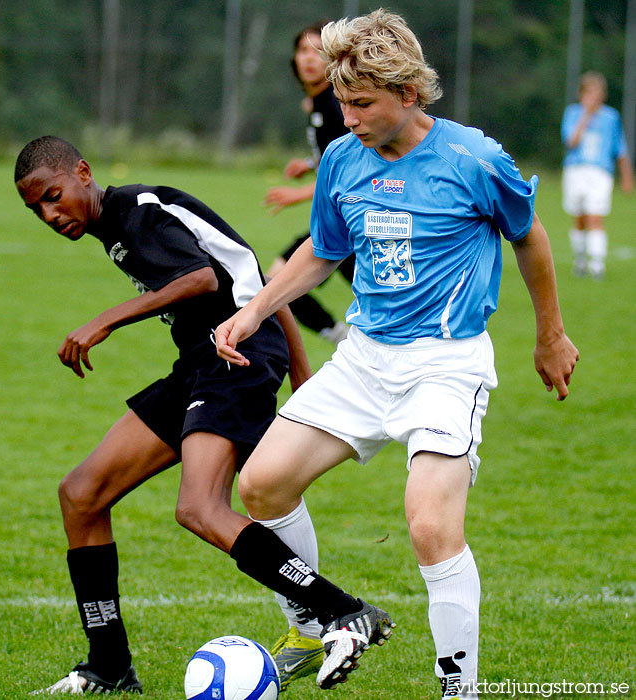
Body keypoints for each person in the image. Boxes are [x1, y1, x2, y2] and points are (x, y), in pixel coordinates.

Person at [216, 9, 579, 697]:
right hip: (362, 358)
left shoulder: (473, 158)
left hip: (444, 364)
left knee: (428, 525)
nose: (346, 116)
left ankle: (459, 688)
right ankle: (314, 622)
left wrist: (550, 334)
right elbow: (323, 251)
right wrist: (255, 309)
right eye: (340, 102)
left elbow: (528, 237)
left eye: (360, 104)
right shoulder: (340, 160)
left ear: (409, 94)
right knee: (260, 486)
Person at [14, 136, 325, 694]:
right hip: (204, 362)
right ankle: (108, 665)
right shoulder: (116, 228)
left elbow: (206, 280)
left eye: (54, 196)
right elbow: (259, 279)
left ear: (83, 172)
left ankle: (338, 611)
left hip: (236, 358)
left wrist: (105, 320)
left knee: (201, 507)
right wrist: (302, 376)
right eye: (37, 208)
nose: (49, 214)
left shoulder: (139, 212)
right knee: (81, 494)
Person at [264, 22, 353, 345]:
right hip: (341, 223)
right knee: (275, 284)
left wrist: (299, 193)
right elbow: (339, 150)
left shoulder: (335, 104)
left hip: (351, 222)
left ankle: (344, 338)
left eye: (319, 51)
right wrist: (311, 163)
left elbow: (351, 169)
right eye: (303, 50)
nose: (310, 58)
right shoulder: (319, 102)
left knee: (274, 284)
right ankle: (344, 338)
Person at [561, 71, 633, 279]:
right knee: (580, 218)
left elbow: (619, 148)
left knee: (595, 216)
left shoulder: (611, 117)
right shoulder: (573, 113)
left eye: (597, 93)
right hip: (576, 170)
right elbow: (570, 142)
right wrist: (586, 116)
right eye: (589, 92)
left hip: (600, 172)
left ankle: (596, 264)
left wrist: (627, 176)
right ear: (581, 94)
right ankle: (581, 259)